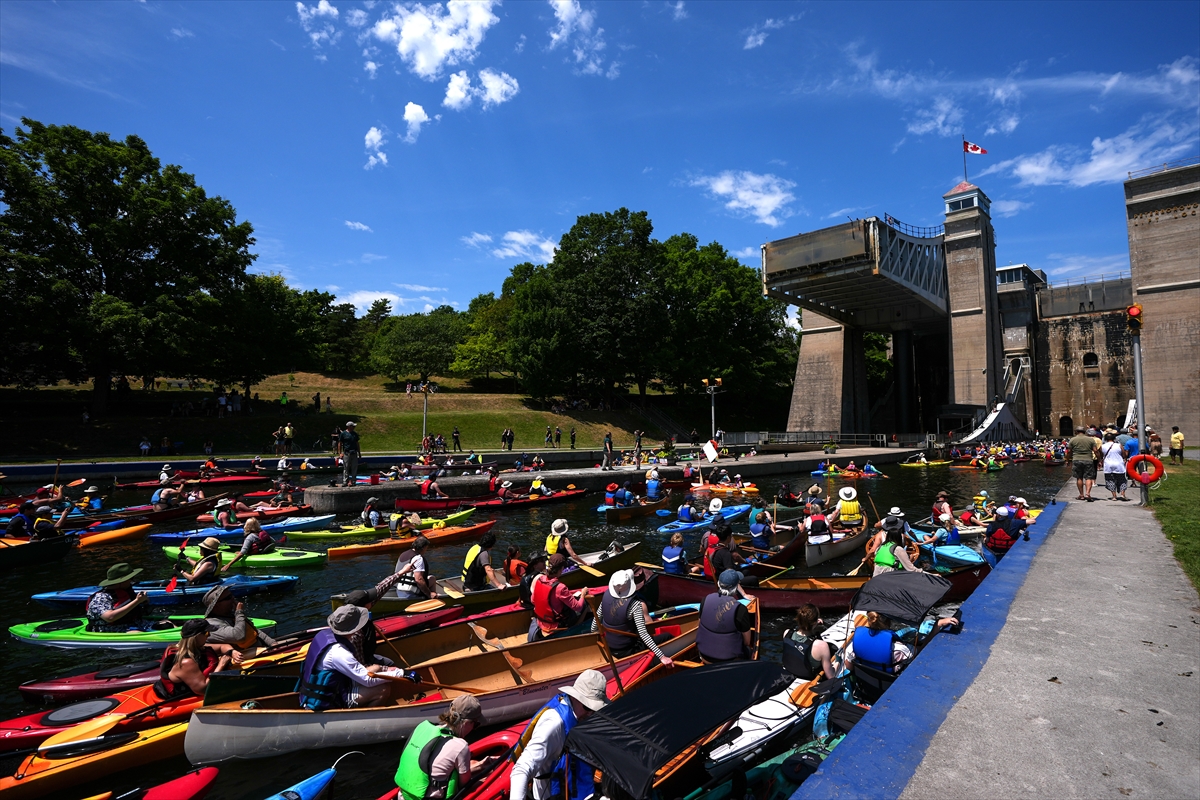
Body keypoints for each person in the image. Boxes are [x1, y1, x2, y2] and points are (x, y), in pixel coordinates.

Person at [509, 670, 610, 800]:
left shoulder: (584, 717)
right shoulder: (554, 724)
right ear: (574, 697)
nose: (591, 714)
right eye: (588, 707)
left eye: (596, 710)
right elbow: (521, 770)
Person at [298, 605, 398, 710]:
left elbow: (361, 672)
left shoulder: (323, 634)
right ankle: (364, 720)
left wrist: (385, 669)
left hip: (329, 689)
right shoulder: (339, 652)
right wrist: (400, 674)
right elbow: (367, 680)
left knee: (376, 668)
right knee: (383, 689)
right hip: (331, 699)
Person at [395, 695, 490, 800]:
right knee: (486, 782)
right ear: (467, 722)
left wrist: (480, 765)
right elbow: (465, 784)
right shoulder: (460, 746)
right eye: (475, 724)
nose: (473, 729)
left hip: (403, 795)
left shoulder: (424, 729)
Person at [591, 570, 673, 666]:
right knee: (667, 636)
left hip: (608, 646)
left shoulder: (606, 596)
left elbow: (593, 628)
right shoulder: (635, 604)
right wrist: (662, 656)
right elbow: (643, 634)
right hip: (627, 650)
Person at [153, 618, 232, 700]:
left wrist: (232, 652)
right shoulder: (187, 663)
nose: (209, 635)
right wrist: (221, 665)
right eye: (206, 633)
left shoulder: (197, 648)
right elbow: (203, 690)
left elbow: (222, 646)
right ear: (197, 636)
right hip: (182, 700)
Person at [203, 584, 277, 661]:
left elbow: (254, 631)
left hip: (260, 650)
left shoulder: (231, 616)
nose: (233, 599)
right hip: (245, 660)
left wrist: (273, 643)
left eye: (231, 595)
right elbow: (238, 637)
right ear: (216, 605)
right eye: (228, 598)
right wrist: (239, 612)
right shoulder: (212, 625)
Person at [696, 570, 754, 663]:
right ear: (736, 587)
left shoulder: (705, 600)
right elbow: (746, 642)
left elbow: (699, 625)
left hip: (704, 655)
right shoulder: (740, 609)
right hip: (729, 660)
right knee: (750, 650)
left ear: (719, 584)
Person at [530, 554, 587, 641]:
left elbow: (533, 600)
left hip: (540, 620)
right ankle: (575, 631)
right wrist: (583, 594)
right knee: (584, 604)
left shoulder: (539, 579)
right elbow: (578, 607)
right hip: (555, 624)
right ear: (561, 569)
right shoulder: (560, 587)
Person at [86, 563, 149, 632]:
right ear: (121, 581)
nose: (132, 581)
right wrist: (137, 601)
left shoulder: (125, 590)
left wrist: (143, 601)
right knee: (138, 633)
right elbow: (110, 617)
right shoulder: (100, 598)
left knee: (161, 624)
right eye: (131, 578)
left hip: (133, 624)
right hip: (110, 629)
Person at [844, 611, 913, 673]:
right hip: (888, 682)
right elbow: (915, 654)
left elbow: (849, 666)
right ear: (889, 622)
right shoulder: (900, 648)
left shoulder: (856, 644)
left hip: (866, 680)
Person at [783, 604, 838, 680]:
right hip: (809, 680)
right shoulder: (821, 646)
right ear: (814, 622)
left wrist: (814, 623)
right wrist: (838, 663)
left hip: (790, 672)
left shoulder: (787, 633)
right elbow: (830, 676)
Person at [1067, 425, 1100, 501]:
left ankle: (1081, 495)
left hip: (1076, 460)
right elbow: (1096, 451)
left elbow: (1069, 451)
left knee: (1079, 477)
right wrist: (1099, 460)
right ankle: (1088, 494)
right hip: (1088, 460)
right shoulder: (1090, 440)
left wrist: (1067, 460)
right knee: (1088, 477)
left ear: (1076, 432)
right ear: (1084, 432)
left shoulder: (1072, 440)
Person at [1100, 432, 1129, 501]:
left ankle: (1114, 496)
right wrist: (1124, 458)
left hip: (1108, 465)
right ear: (1114, 438)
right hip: (1119, 464)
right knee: (1122, 480)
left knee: (1110, 480)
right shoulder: (1119, 445)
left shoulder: (1102, 446)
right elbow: (1124, 454)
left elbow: (1101, 455)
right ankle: (1122, 494)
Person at [340, 421, 361, 487]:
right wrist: (340, 453)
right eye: (353, 426)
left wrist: (359, 452)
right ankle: (345, 481)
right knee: (346, 468)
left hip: (354, 452)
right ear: (349, 427)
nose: (354, 427)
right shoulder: (343, 434)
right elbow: (340, 443)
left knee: (354, 467)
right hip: (347, 453)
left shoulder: (355, 434)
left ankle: (353, 481)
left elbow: (357, 443)